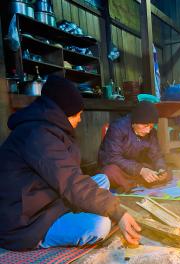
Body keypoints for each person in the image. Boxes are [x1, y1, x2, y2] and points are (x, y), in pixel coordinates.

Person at [0, 75, 141, 251]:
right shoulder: (37, 135)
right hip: (27, 220)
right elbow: (70, 181)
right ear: (63, 113)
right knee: (100, 225)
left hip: (46, 198)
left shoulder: (49, 128)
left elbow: (69, 177)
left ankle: (75, 211)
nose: (80, 119)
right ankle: (41, 238)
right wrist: (117, 212)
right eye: (77, 115)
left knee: (102, 180)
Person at [98, 101, 171, 193]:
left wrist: (161, 168)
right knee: (109, 173)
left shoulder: (151, 133)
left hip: (136, 167)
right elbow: (113, 157)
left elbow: (156, 155)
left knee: (167, 172)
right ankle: (135, 184)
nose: (148, 130)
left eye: (151, 127)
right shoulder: (117, 128)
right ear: (135, 122)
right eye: (145, 126)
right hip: (120, 167)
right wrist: (140, 170)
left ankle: (131, 184)